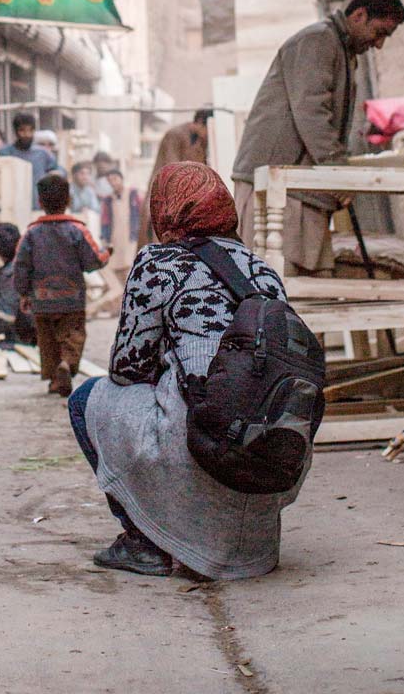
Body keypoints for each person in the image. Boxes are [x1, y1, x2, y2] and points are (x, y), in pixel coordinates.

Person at [69, 162, 301, 580]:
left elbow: (126, 369)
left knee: (86, 398)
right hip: (273, 462)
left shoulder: (160, 262)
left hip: (206, 448)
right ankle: (238, 534)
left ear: (166, 210)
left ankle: (144, 542)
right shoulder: (260, 268)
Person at [230, 0, 404, 277]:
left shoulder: (340, 49)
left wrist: (336, 176)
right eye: (380, 32)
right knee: (274, 282)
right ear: (359, 15)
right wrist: (338, 174)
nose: (379, 44)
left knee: (304, 285)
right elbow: (312, 113)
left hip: (297, 186)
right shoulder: (318, 41)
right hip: (276, 185)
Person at [13, 173, 109, 397]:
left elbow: (21, 266)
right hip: (71, 299)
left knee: (47, 342)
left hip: (42, 299)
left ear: (40, 202)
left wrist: (24, 293)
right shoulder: (78, 230)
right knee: (73, 335)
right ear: (68, 200)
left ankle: (55, 380)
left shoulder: (31, 234)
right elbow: (92, 261)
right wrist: (107, 254)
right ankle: (67, 363)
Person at [136, 108, 214, 248]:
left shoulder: (201, 141)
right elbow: (173, 171)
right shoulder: (175, 135)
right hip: (167, 197)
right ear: (201, 123)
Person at [0, 112, 57, 207]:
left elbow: (58, 171)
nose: (27, 134)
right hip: (11, 207)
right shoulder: (5, 153)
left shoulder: (43, 154)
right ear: (16, 131)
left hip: (38, 206)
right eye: (22, 130)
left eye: (30, 130)